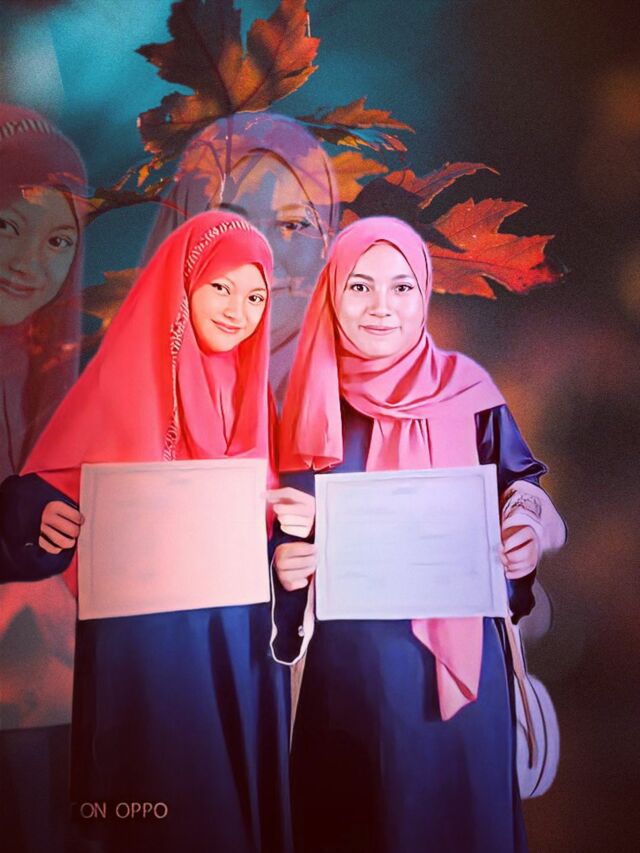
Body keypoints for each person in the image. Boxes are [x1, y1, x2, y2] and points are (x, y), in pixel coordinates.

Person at [2, 210, 297, 853]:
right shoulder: (121, 379)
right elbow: (42, 497)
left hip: (239, 650)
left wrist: (289, 544)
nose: (238, 311)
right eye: (221, 287)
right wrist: (42, 516)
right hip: (148, 655)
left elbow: (268, 525)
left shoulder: (256, 398)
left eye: (255, 297)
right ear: (182, 283)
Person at [273, 216, 566, 853]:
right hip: (349, 679)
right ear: (333, 293)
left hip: (461, 674)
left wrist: (524, 528)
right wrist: (283, 563)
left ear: (424, 292)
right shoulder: (310, 403)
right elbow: (278, 534)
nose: (382, 307)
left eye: (402, 287)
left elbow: (522, 486)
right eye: (360, 286)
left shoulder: (469, 391)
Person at [0, 103, 86, 853]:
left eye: (59, 240)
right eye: (7, 226)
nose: (30, 260)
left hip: (32, 688)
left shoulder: (39, 364)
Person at [143, 111, 340, 405]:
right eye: (232, 223)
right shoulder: (127, 398)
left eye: (292, 225)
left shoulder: (354, 403)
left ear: (329, 241)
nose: (263, 255)